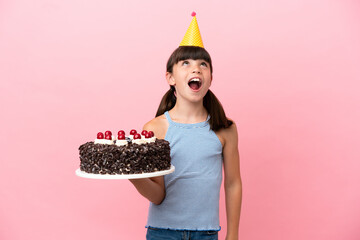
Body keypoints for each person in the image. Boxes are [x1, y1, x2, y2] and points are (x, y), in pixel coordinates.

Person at [130, 13, 242, 240]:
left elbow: (232, 184)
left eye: (203, 64)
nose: (196, 69)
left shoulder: (225, 129)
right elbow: (158, 195)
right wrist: (133, 175)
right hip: (162, 233)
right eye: (186, 63)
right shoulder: (155, 129)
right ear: (170, 77)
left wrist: (233, 235)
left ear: (211, 77)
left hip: (207, 233)